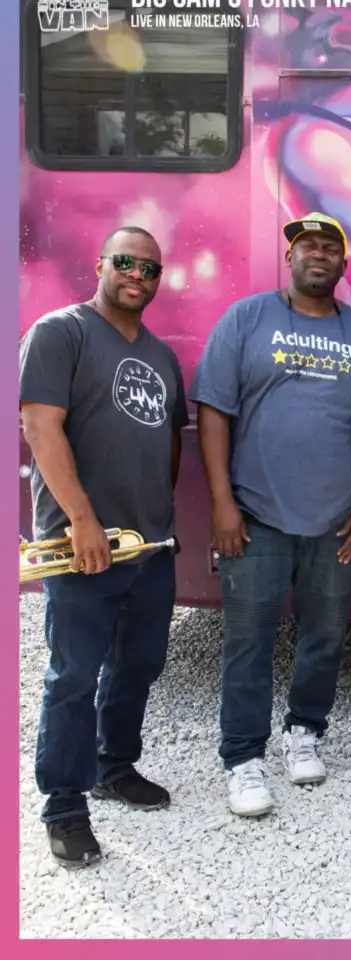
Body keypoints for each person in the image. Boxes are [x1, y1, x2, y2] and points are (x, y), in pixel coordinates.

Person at [189, 212, 351, 818]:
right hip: (255, 515)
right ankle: (243, 757)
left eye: (330, 247)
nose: (318, 254)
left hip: (337, 522)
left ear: (343, 265)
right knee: (248, 639)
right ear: (291, 257)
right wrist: (221, 502)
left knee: (325, 634)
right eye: (307, 245)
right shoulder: (246, 319)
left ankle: (305, 729)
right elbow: (214, 411)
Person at [19, 226, 188, 867]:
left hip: (148, 547)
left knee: (138, 665)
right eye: (125, 262)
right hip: (80, 545)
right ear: (100, 265)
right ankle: (63, 806)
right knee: (73, 676)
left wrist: (157, 516)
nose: (137, 275)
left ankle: (113, 766)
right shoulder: (60, 332)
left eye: (149, 268)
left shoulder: (162, 356)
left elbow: (168, 443)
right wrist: (82, 519)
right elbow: (40, 427)